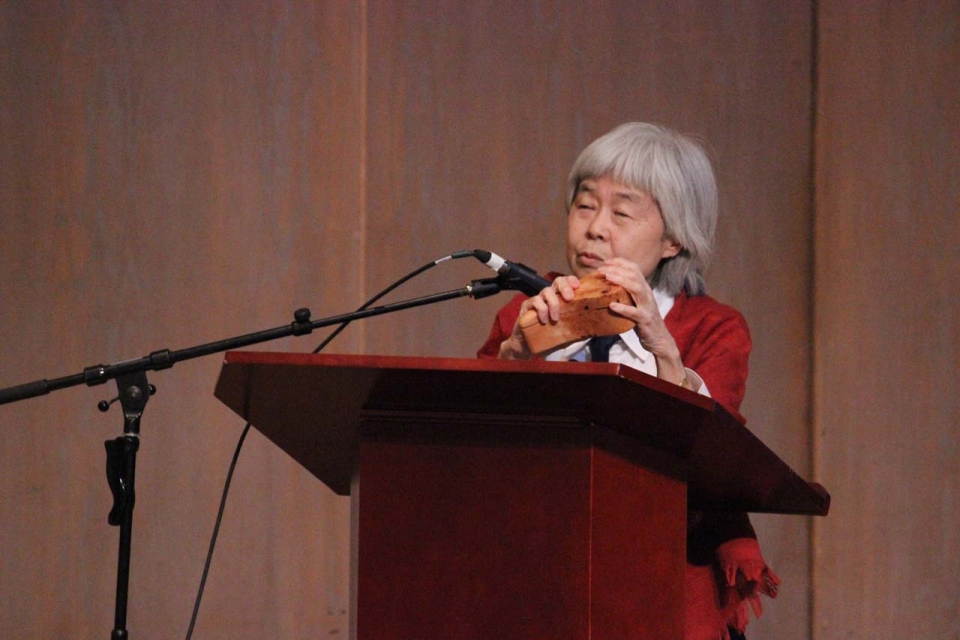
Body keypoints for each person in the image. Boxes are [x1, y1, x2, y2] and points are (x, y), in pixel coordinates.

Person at [478, 122, 779, 640]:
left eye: (621, 213)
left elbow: (714, 459)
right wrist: (517, 355)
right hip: (539, 565)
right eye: (584, 205)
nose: (595, 228)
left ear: (674, 238)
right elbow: (472, 446)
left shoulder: (714, 328)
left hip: (663, 575)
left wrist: (660, 346)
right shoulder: (523, 314)